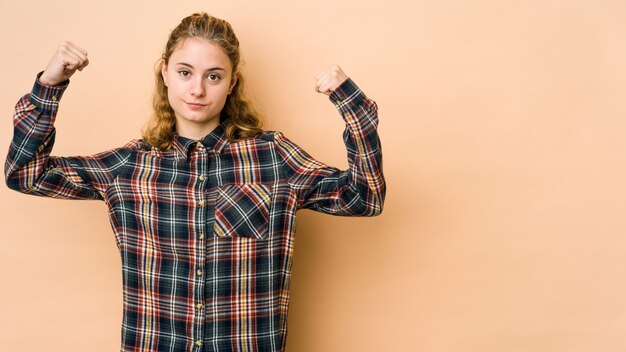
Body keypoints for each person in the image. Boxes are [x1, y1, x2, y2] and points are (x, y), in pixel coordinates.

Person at [5, 12, 385, 352]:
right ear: (165, 73)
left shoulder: (274, 157)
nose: (197, 89)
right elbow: (25, 173)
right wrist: (50, 84)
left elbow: (364, 198)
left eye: (213, 76)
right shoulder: (130, 166)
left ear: (232, 82)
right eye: (185, 72)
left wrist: (351, 104)